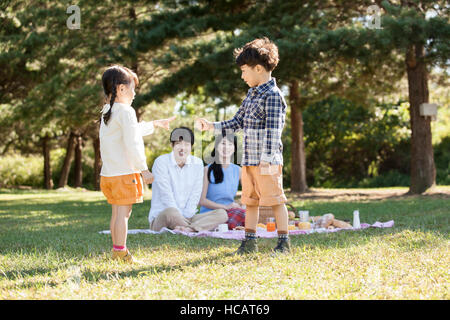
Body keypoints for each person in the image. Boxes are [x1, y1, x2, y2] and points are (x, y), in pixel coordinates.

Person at [196, 37, 290, 254]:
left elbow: (274, 130)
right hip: (248, 159)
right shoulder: (251, 94)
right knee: (251, 201)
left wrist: (266, 157)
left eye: (244, 70)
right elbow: (236, 122)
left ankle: (283, 242)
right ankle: (249, 242)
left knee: (275, 200)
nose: (242, 75)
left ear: (258, 68)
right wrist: (212, 126)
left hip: (267, 160)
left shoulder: (273, 96)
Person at [99, 65, 175, 263]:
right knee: (124, 215)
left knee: (117, 213)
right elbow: (133, 143)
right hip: (125, 174)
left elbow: (130, 132)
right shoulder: (126, 111)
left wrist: (155, 124)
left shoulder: (108, 110)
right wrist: (144, 169)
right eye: (132, 88)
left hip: (109, 174)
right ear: (120, 89)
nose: (134, 94)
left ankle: (117, 251)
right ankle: (121, 252)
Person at [148, 127, 228, 232]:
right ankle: (194, 227)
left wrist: (187, 216)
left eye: (186, 144)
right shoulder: (161, 162)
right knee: (171, 212)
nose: (182, 148)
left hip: (189, 217)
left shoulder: (198, 163)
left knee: (222, 214)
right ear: (172, 145)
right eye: (178, 144)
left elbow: (196, 194)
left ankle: (188, 229)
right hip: (164, 216)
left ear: (191, 146)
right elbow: (166, 196)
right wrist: (181, 217)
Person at [199, 132, 246, 230]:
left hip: (231, 212)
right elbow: (202, 200)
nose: (226, 147)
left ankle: (228, 226)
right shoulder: (207, 169)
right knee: (222, 215)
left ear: (234, 148)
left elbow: (247, 196)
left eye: (230, 144)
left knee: (248, 214)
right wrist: (225, 207)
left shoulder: (238, 170)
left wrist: (242, 205)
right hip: (212, 214)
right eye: (223, 143)